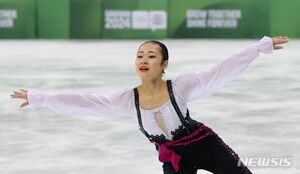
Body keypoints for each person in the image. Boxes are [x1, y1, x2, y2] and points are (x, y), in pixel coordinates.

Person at [11, 36, 289, 174]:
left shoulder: (180, 86)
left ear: (164, 64)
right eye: (140, 55)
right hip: (174, 157)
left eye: (151, 56)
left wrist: (257, 49)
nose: (144, 60)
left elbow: (219, 72)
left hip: (206, 145)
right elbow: (87, 102)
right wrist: (42, 97)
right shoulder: (128, 99)